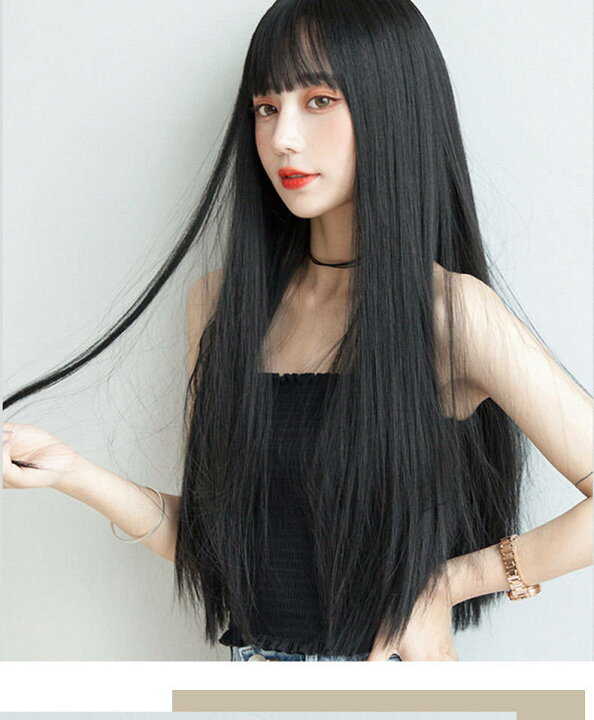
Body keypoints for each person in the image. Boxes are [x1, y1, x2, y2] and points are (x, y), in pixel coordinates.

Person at [2, 0, 592, 662]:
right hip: (249, 684)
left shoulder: (453, 314)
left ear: (392, 107)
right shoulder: (222, 305)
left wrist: (450, 583)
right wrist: (71, 473)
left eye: (319, 100)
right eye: (265, 106)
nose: (282, 137)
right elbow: (220, 546)